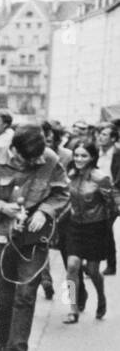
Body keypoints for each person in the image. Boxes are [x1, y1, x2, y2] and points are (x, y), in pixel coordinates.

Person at [0, 125, 69, 351]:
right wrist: (2, 206)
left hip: (34, 240)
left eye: (39, 158)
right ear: (14, 150)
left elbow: (61, 193)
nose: (37, 163)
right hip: (3, 237)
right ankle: (4, 342)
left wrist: (44, 211)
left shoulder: (49, 159)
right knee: (4, 298)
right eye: (30, 160)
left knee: (25, 295)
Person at [61, 141, 117, 322]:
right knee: (71, 267)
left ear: (92, 157)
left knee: (93, 271)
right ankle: (71, 307)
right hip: (74, 226)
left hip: (96, 228)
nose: (78, 159)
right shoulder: (70, 175)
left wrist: (105, 227)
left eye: (83, 155)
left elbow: (114, 206)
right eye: (76, 155)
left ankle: (101, 296)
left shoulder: (101, 178)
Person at [96, 121, 118, 275]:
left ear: (113, 138)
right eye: (100, 134)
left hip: (114, 196)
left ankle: (110, 264)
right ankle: (98, 262)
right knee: (100, 228)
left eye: (104, 134)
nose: (100, 137)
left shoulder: (118, 154)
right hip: (96, 194)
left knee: (105, 228)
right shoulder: (97, 152)